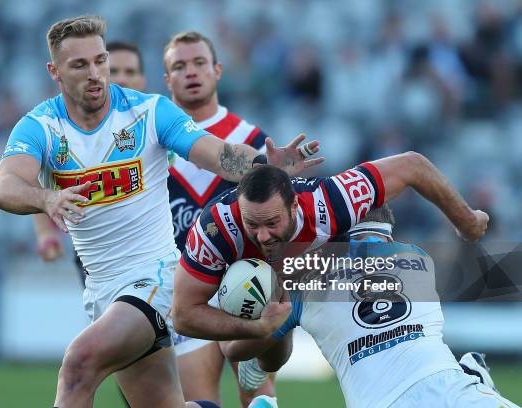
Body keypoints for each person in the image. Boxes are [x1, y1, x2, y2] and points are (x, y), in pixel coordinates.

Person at [0, 15, 322, 408]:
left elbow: (218, 154)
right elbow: (3, 187)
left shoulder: (149, 112)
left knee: (78, 366)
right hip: (104, 291)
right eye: (80, 65)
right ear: (55, 71)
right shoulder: (41, 126)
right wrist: (45, 198)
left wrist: (265, 163)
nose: (95, 74)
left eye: (100, 61)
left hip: (157, 278)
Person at [219, 206, 519, 408]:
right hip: (451, 387)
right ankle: (473, 376)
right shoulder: (418, 258)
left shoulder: (306, 282)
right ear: (389, 232)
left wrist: (270, 311)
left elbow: (236, 350)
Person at [172, 154, 488, 341]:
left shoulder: (330, 200)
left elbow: (412, 165)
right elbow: (183, 315)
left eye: (272, 222)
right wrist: (254, 328)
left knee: (373, 247)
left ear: (295, 206)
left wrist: (467, 222)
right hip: (266, 290)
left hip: (322, 265)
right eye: (251, 225)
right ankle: (261, 364)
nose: (264, 235)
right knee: (251, 351)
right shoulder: (214, 231)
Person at [163, 31, 274, 406]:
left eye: (199, 63)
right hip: (186, 292)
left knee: (259, 397)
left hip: (245, 283)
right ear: (167, 80)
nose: (190, 72)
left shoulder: (252, 141)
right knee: (198, 401)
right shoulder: (154, 148)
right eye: (179, 66)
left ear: (218, 70)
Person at [32, 39, 147, 288]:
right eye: (114, 71)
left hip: (156, 253)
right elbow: (41, 179)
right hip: (100, 257)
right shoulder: (71, 131)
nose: (122, 79)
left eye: (131, 72)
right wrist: (45, 234)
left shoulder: (154, 124)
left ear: (143, 80)